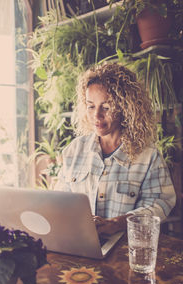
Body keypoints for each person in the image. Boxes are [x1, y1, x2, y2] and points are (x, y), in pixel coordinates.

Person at [55, 62, 176, 235]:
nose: (96, 115)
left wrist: (118, 223)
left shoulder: (148, 156)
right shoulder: (74, 150)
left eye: (106, 107)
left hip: (125, 252)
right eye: (91, 106)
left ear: (126, 108)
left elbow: (161, 204)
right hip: (80, 246)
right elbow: (59, 201)